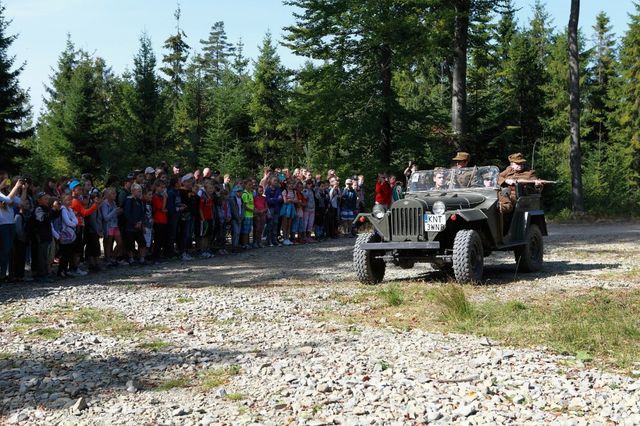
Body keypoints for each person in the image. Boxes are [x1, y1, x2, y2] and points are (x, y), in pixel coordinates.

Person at [264, 177, 282, 246]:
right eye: (274, 180)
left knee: (275, 224)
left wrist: (273, 199)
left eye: (277, 181)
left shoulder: (278, 189)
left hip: (277, 209)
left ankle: (274, 240)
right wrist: (276, 199)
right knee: (270, 225)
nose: (276, 182)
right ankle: (268, 241)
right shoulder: (268, 190)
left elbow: (280, 199)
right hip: (270, 209)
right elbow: (267, 200)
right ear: (270, 181)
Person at [240, 179, 254, 249]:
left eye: (251, 185)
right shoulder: (245, 194)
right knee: (245, 231)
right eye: (249, 185)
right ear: (245, 185)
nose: (251, 186)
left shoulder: (251, 193)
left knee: (248, 230)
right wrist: (252, 210)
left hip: (250, 215)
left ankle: (247, 243)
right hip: (246, 215)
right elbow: (244, 206)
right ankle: (244, 244)